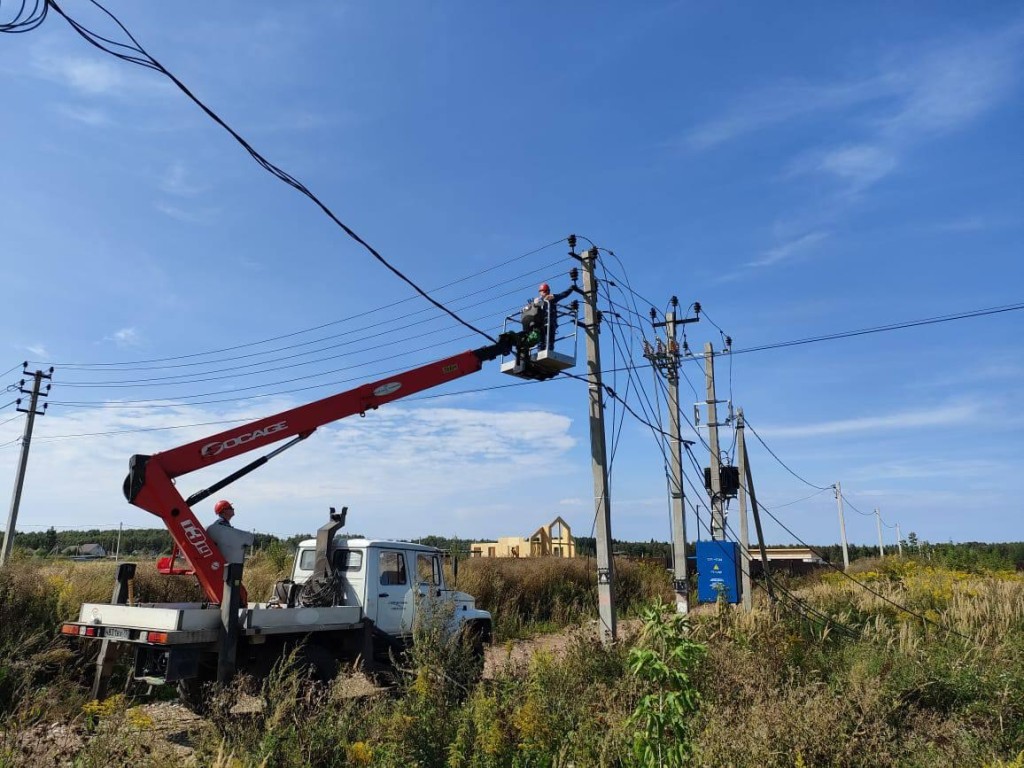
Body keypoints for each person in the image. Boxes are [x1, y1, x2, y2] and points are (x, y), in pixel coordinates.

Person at [206, 499, 255, 564]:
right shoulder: (222, 525)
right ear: (223, 511)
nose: (233, 509)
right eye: (230, 508)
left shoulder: (221, 525)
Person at [535, 282, 573, 351]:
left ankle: (544, 352)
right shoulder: (545, 299)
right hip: (547, 323)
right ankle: (544, 352)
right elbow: (563, 294)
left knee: (545, 342)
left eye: (547, 291)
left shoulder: (541, 300)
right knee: (546, 342)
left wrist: (570, 289)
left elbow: (564, 294)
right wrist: (571, 288)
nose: (546, 292)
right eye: (545, 291)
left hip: (545, 323)